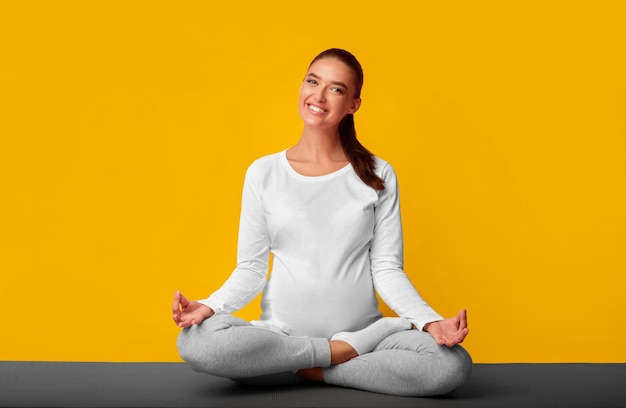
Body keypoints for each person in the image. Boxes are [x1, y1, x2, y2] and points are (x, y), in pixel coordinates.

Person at [172, 48, 472, 397]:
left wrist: (429, 320)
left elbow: (387, 268)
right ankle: (332, 359)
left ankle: (297, 369)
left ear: (353, 105)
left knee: (450, 365)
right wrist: (209, 306)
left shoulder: (378, 174)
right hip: (281, 338)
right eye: (313, 81)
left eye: (336, 88)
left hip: (362, 334)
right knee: (196, 342)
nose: (318, 95)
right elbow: (251, 269)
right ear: (301, 87)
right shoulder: (263, 173)